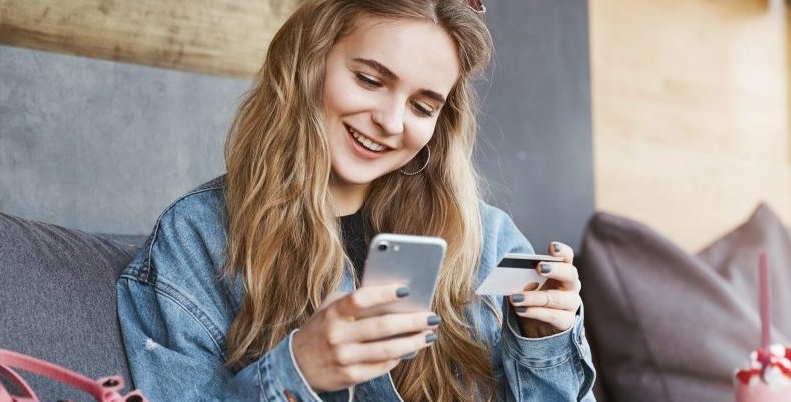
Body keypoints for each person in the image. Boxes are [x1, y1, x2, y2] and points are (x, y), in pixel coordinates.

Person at [116, 0, 595, 400]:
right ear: (310, 62)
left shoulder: (487, 240)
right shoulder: (197, 240)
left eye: (422, 106)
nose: (391, 121)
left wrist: (544, 342)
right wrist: (297, 369)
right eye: (370, 80)